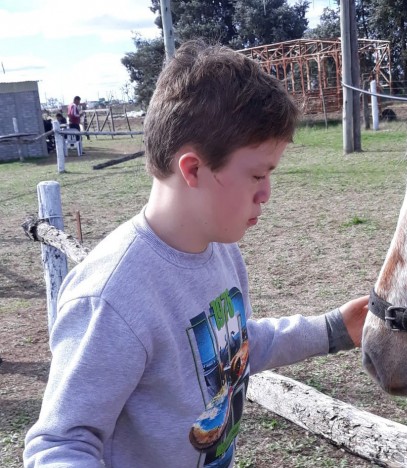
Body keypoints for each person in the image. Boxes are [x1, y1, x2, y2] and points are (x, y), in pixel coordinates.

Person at [23, 40, 369, 468]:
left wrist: (333, 330)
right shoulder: (111, 298)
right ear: (192, 169)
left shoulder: (220, 251)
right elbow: (60, 444)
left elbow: (234, 348)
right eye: (258, 174)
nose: (266, 194)